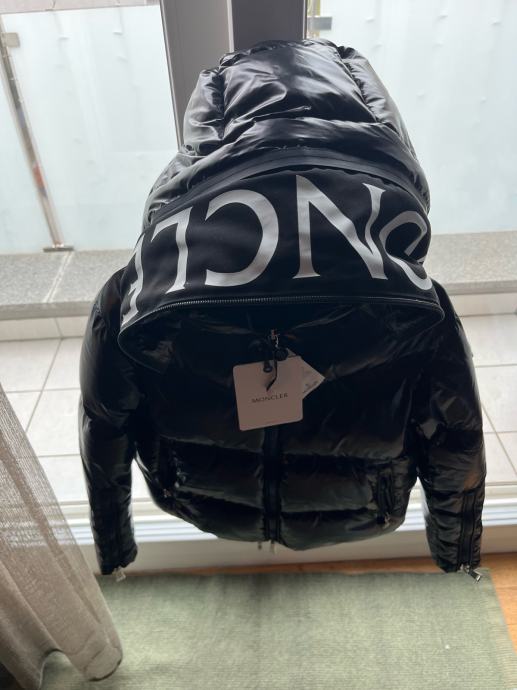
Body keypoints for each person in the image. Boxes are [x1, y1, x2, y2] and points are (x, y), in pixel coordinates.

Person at [78, 37, 486, 579]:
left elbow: (104, 425)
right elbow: (456, 437)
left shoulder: (139, 286)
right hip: (366, 504)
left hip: (197, 495)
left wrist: (114, 548)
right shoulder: (414, 299)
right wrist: (455, 556)